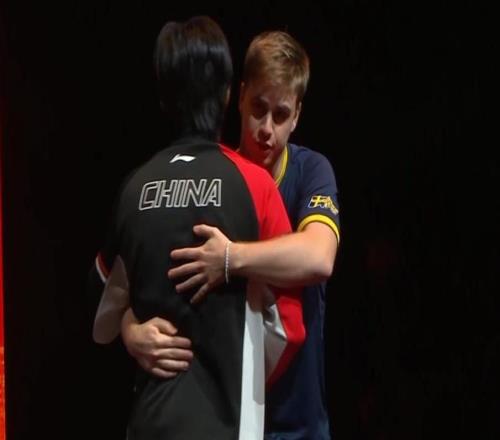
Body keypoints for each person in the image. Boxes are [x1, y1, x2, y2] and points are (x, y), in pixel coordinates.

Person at [87, 17, 305, 440]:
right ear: (228, 95)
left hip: (148, 425)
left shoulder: (133, 189)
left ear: (163, 98)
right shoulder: (255, 186)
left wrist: (129, 327)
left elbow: (100, 312)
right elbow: (289, 327)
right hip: (228, 425)